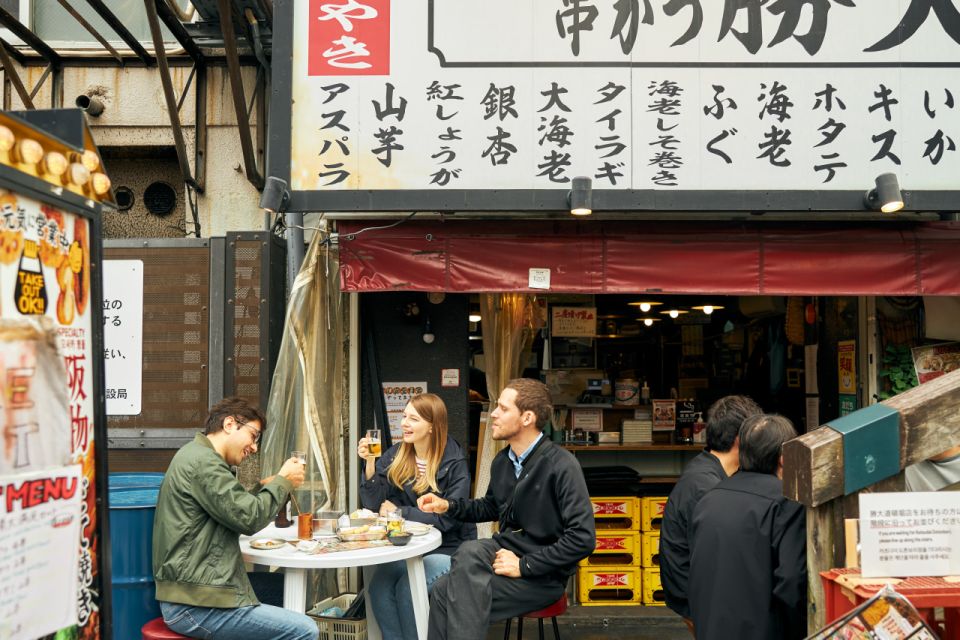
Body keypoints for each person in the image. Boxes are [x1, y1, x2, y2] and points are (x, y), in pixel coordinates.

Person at [417, 378, 595, 640]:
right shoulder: (502, 462)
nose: (494, 415)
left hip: (543, 576)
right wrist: (448, 505)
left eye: (503, 408)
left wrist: (525, 565)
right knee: (470, 550)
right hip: (505, 553)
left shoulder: (561, 465)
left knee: (445, 591)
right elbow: (491, 506)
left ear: (527, 418)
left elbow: (583, 539)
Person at [152, 397, 317, 640]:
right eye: (254, 435)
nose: (254, 447)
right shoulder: (203, 462)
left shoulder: (198, 456)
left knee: (281, 589)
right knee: (304, 630)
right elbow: (249, 518)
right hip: (194, 605)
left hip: (196, 589)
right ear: (230, 424)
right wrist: (282, 481)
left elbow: (232, 509)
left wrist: (263, 487)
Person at [358, 393, 477, 640]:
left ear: (432, 426)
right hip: (409, 548)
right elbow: (372, 503)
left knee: (407, 589)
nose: (404, 424)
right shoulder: (396, 454)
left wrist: (399, 512)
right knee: (378, 588)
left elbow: (448, 519)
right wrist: (370, 463)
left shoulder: (454, 462)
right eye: (403, 417)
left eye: (413, 419)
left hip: (449, 548)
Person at [687, 414, 806, 640]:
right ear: (783, 458)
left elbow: (696, 569)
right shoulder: (786, 502)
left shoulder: (711, 497)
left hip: (710, 629)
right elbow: (792, 582)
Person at [660, 395, 762, 630]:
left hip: (697, 588)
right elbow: (718, 562)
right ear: (741, 438)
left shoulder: (709, 469)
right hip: (697, 596)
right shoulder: (706, 486)